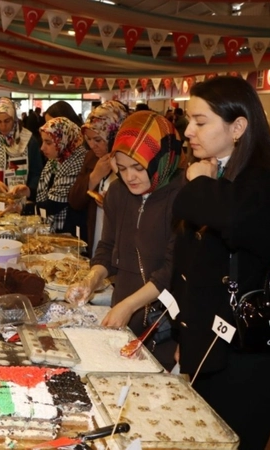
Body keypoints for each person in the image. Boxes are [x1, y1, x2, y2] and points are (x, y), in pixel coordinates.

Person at [170, 76, 270, 450]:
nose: (189, 131)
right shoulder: (211, 171)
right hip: (207, 346)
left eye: (200, 122)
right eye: (189, 120)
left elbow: (235, 222)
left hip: (251, 356)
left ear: (237, 127)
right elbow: (189, 264)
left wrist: (199, 183)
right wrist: (184, 335)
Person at [66, 111, 183, 369]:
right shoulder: (118, 192)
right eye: (122, 168)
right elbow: (107, 247)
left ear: (161, 160)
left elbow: (171, 270)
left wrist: (129, 305)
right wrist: (92, 279)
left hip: (163, 323)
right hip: (122, 312)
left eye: (138, 168)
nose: (129, 177)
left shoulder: (183, 196)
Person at [68, 101, 129, 254]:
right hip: (95, 238)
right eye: (88, 139)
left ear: (114, 135)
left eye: (98, 140)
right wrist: (94, 176)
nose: (92, 145)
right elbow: (74, 201)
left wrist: (112, 202)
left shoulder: (130, 162)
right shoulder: (91, 157)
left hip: (120, 245)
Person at [37, 117, 87, 235]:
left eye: (48, 142)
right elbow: (49, 190)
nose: (42, 148)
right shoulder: (56, 159)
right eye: (43, 141)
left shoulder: (78, 162)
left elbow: (55, 204)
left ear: (63, 141)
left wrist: (23, 208)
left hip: (69, 231)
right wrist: (29, 191)